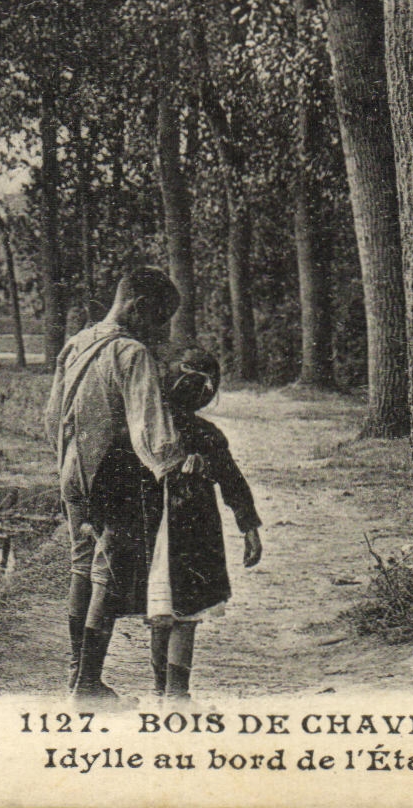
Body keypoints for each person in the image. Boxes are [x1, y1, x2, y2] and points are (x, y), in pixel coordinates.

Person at [44, 267, 187, 703]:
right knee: (107, 574)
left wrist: (67, 465)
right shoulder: (131, 353)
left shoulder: (77, 343)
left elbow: (53, 416)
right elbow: (151, 431)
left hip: (73, 472)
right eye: (160, 319)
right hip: (116, 480)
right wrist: (174, 471)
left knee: (81, 566)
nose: (161, 331)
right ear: (139, 308)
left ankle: (77, 675)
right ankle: (87, 685)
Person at [145, 347, 262, 701]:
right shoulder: (147, 429)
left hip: (191, 532)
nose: (198, 395)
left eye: (203, 389)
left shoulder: (205, 434)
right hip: (157, 530)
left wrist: (249, 525)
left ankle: (173, 693)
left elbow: (231, 479)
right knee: (164, 611)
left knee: (179, 612)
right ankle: (166, 692)